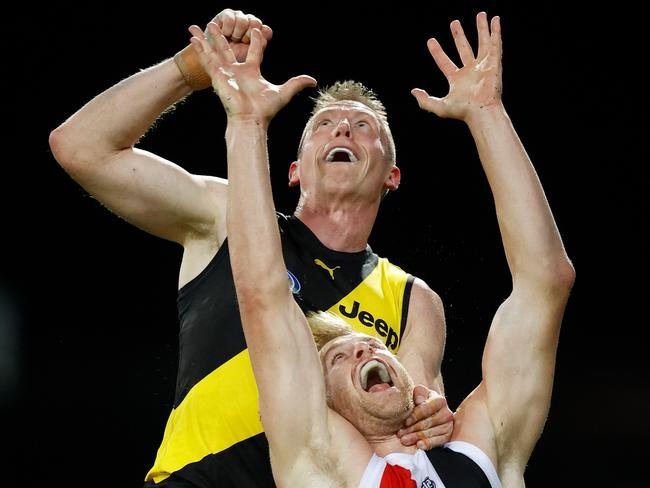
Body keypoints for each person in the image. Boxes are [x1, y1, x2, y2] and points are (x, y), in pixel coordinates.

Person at [48, 8, 453, 488]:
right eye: (323, 124)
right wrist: (191, 69)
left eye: (364, 127)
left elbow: (417, 420)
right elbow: (79, 147)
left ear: (392, 175)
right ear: (294, 169)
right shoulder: (230, 218)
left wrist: (434, 418)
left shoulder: (413, 299)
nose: (343, 129)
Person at [209, 10, 575, 487]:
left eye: (372, 344)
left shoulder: (482, 450)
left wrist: (487, 113)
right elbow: (261, 292)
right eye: (337, 360)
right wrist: (245, 123)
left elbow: (545, 281)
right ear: (320, 401)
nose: (363, 351)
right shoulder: (320, 464)